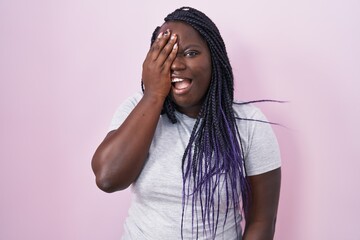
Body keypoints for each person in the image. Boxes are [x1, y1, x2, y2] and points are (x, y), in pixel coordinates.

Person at [92, 6, 281, 240]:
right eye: (165, 55)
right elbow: (108, 178)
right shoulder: (136, 109)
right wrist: (153, 96)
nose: (176, 65)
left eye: (191, 53)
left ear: (215, 58)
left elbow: (262, 221)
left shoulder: (249, 124)